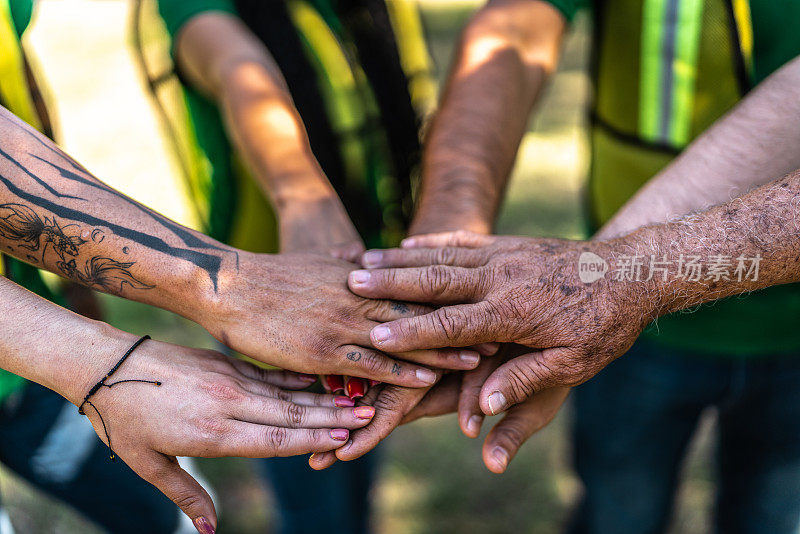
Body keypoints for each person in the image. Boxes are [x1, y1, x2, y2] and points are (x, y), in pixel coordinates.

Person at [315, 0, 800, 531]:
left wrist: (607, 280)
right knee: (619, 508)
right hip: (638, 336)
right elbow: (515, 26)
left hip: (772, 327)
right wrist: (445, 249)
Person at [142, 1, 465, 532]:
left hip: (367, 280)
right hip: (271, 299)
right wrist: (303, 198)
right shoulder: (201, 9)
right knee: (314, 498)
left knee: (360, 452)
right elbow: (236, 68)